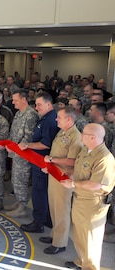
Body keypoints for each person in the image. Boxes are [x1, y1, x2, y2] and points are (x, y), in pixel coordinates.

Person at [61, 123, 115, 270]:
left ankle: (90, 267)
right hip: (80, 199)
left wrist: (72, 184)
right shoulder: (87, 150)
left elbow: (96, 185)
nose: (80, 134)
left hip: (93, 204)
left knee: (91, 239)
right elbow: (80, 170)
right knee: (79, 234)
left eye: (83, 133)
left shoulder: (105, 158)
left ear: (92, 137)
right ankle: (81, 261)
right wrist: (69, 173)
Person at [38, 107, 82, 255]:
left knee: (62, 210)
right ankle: (54, 236)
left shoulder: (75, 136)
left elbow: (72, 161)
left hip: (64, 178)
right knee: (55, 208)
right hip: (55, 174)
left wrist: (51, 160)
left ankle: (60, 242)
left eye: (59, 117)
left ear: (69, 119)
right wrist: (49, 166)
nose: (56, 119)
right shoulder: (62, 132)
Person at [19, 92, 59, 233]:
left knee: (39, 192)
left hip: (42, 163)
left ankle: (39, 222)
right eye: (36, 105)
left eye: (39, 105)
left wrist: (27, 145)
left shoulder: (50, 120)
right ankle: (46, 218)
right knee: (43, 191)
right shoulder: (47, 118)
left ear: (49, 104)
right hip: (39, 162)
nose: (36, 108)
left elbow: (45, 144)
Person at [5, 89, 39, 218]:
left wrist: (15, 148)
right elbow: (14, 131)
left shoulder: (31, 115)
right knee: (15, 178)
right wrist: (9, 145)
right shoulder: (19, 113)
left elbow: (28, 138)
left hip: (24, 154)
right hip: (15, 153)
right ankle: (19, 201)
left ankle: (23, 207)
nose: (13, 102)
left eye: (15, 100)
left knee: (21, 179)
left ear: (23, 99)